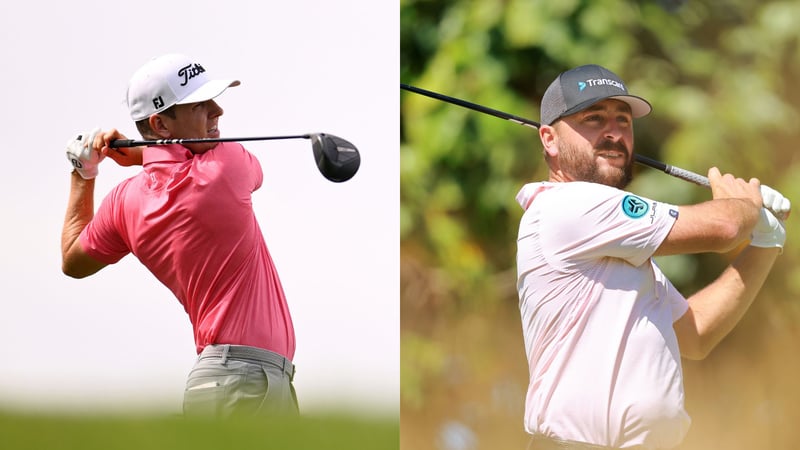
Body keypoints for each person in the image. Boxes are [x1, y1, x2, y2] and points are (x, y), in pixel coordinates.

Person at [515, 64, 790, 449]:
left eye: (623, 121)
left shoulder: (620, 249)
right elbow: (725, 228)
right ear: (549, 139)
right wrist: (744, 204)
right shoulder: (568, 206)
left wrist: (765, 244)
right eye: (594, 119)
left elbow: (696, 334)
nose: (614, 133)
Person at [61, 53, 298, 417]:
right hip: (242, 381)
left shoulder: (125, 201)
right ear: (161, 124)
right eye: (200, 105)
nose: (218, 111)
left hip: (235, 379)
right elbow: (253, 173)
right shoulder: (225, 168)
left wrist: (84, 173)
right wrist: (143, 154)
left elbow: (73, 259)